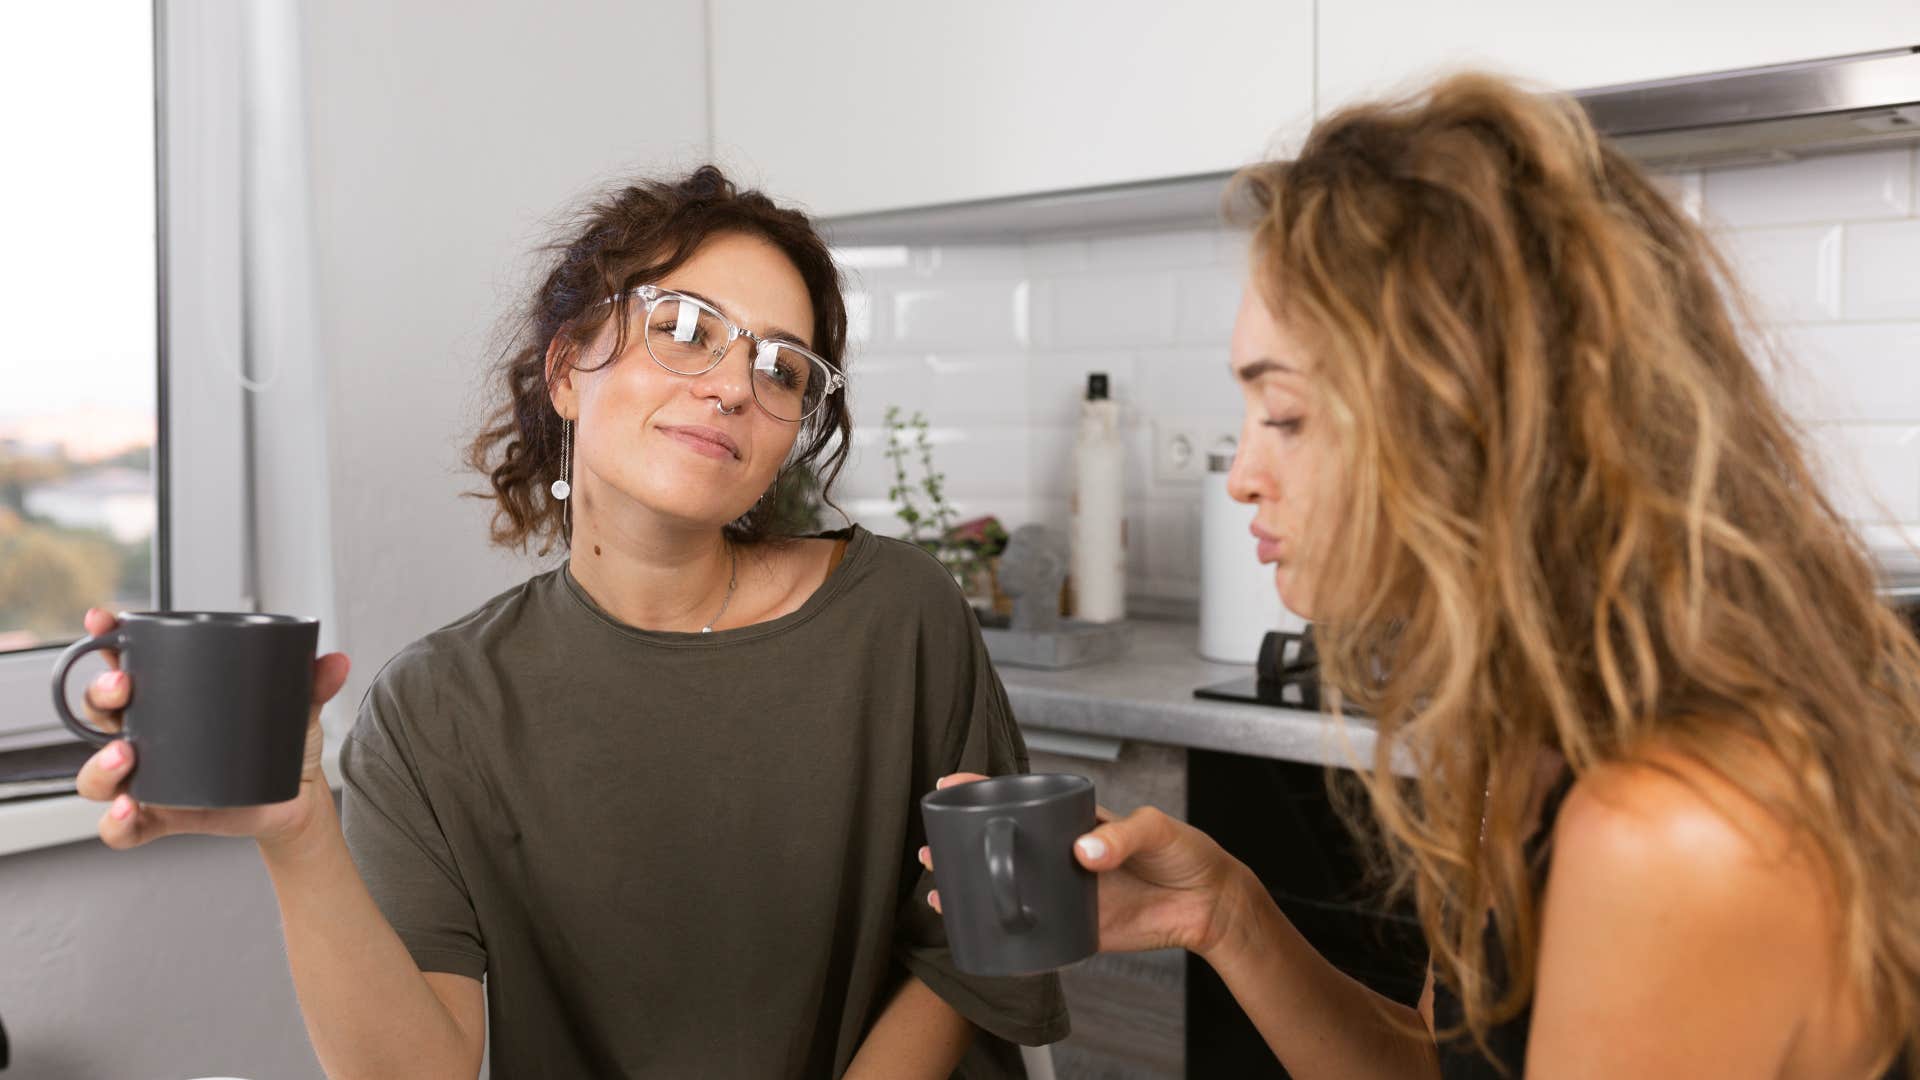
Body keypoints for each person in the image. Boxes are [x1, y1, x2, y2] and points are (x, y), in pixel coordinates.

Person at [931, 73, 1920, 1078]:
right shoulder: (1524, 737)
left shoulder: (1670, 832)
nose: (1241, 479)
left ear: (1469, 429)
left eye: (1288, 417)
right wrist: (1221, 913)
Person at [73, 166, 1067, 1078]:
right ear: (565, 370)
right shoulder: (435, 712)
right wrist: (297, 836)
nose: (730, 385)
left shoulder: (905, 613)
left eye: (781, 369)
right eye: (682, 327)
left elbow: (997, 938)